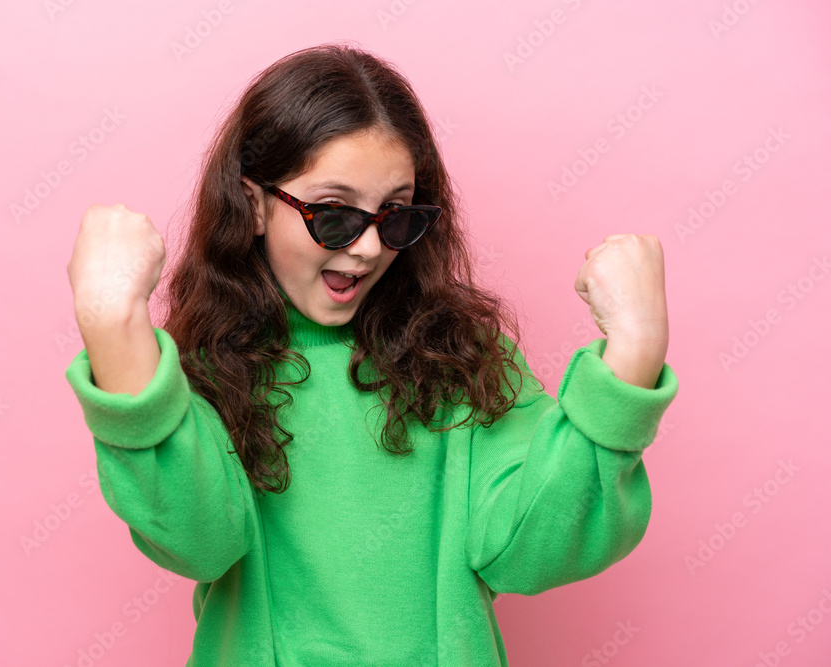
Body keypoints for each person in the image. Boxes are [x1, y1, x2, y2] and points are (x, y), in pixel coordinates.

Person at [64, 42, 678, 667]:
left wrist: (634, 350)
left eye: (394, 215)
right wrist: (113, 328)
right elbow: (201, 542)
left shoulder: (460, 355)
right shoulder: (196, 370)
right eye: (332, 214)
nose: (364, 249)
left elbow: (532, 547)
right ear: (253, 204)